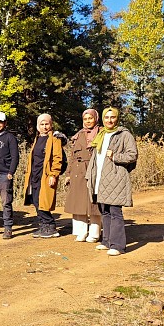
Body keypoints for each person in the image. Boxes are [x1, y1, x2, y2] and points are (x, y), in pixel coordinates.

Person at [86, 107, 137, 256]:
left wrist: (115, 156)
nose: (109, 120)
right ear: (103, 119)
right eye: (107, 117)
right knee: (105, 211)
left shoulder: (124, 134)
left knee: (115, 211)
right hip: (101, 179)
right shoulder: (101, 134)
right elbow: (96, 158)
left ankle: (118, 245)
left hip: (115, 177)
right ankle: (107, 241)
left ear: (117, 118)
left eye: (112, 117)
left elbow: (132, 155)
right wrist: (90, 174)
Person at [64, 109, 102, 242]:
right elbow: (73, 156)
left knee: (94, 203)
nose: (88, 121)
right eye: (85, 119)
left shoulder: (102, 133)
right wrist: (68, 174)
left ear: (96, 118)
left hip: (94, 170)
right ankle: (81, 232)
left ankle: (94, 233)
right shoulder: (78, 135)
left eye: (90, 118)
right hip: (77, 172)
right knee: (78, 203)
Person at [23, 114, 63, 239]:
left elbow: (58, 158)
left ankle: (50, 226)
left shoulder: (55, 139)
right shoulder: (37, 138)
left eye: (47, 124)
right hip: (34, 175)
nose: (44, 127)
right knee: (35, 201)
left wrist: (53, 174)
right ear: (37, 126)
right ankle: (43, 225)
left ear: (51, 125)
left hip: (45, 175)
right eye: (42, 124)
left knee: (43, 201)